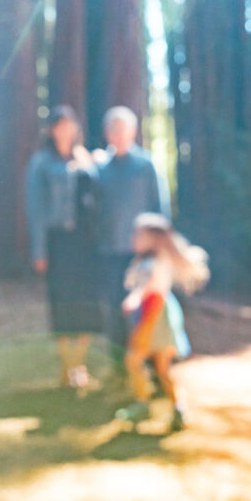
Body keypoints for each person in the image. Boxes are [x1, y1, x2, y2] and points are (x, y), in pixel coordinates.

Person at [25, 105, 104, 390]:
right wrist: (39, 250)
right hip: (58, 243)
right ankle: (66, 366)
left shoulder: (88, 160)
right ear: (51, 129)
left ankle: (77, 365)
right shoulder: (41, 163)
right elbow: (35, 208)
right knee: (61, 303)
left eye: (70, 124)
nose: (65, 130)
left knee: (86, 303)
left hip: (85, 245)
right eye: (59, 125)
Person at [117, 212, 209, 431]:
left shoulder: (153, 263)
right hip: (159, 314)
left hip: (155, 316)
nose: (133, 238)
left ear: (153, 239)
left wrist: (134, 299)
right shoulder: (152, 261)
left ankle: (145, 403)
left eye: (138, 235)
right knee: (161, 367)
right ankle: (175, 407)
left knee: (135, 360)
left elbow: (147, 285)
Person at [96, 106, 170, 353]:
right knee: (114, 308)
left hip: (142, 255)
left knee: (148, 310)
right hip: (110, 252)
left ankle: (149, 364)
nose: (118, 135)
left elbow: (160, 210)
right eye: (113, 129)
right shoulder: (99, 169)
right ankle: (118, 364)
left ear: (133, 132)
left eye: (122, 129)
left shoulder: (146, 166)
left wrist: (159, 248)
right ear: (106, 133)